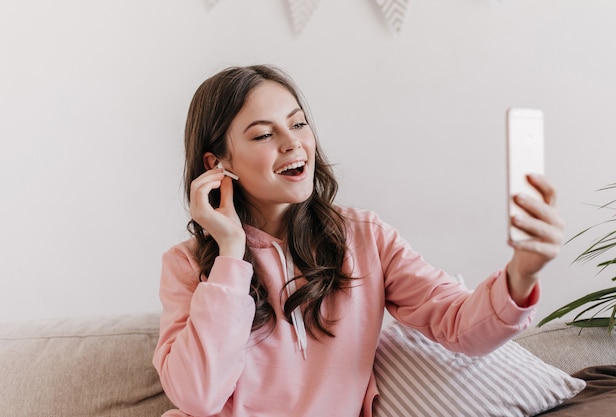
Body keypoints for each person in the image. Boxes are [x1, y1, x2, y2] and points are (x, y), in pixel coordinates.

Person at [153, 65, 564, 417]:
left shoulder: (366, 238)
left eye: (298, 123)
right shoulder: (187, 266)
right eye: (263, 135)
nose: (293, 142)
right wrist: (230, 253)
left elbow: (458, 324)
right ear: (217, 163)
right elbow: (198, 397)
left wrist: (521, 273)